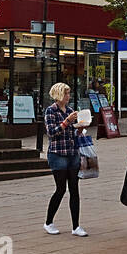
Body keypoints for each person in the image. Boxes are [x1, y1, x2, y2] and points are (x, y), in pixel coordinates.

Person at [43, 82, 87, 237]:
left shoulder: (69, 111)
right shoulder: (51, 111)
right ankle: (48, 222)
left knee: (74, 190)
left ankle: (76, 226)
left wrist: (79, 129)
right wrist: (66, 122)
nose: (69, 96)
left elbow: (71, 134)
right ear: (59, 95)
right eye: (66, 93)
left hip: (72, 153)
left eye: (69, 93)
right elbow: (51, 133)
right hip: (57, 154)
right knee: (61, 189)